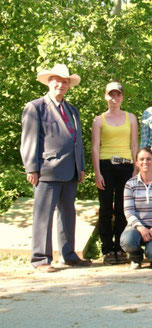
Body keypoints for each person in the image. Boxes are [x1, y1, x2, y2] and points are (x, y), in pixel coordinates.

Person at [20, 63, 91, 272]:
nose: (61, 84)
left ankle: (69, 255)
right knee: (43, 215)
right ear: (49, 82)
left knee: (68, 214)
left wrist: (82, 166)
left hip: (71, 170)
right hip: (46, 170)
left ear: (69, 85)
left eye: (65, 81)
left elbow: (77, 140)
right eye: (57, 80)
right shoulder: (35, 107)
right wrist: (31, 168)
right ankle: (41, 259)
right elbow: (29, 141)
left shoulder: (72, 110)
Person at [91, 82, 138, 265]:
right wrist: (97, 173)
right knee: (105, 209)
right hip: (105, 166)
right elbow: (95, 147)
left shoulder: (131, 118)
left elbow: (134, 144)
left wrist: (136, 168)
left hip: (126, 165)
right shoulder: (99, 120)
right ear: (105, 96)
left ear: (122, 97)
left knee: (122, 208)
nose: (114, 98)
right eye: (111, 94)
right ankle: (107, 249)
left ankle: (120, 247)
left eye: (117, 95)